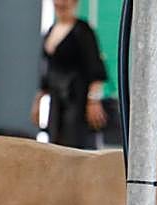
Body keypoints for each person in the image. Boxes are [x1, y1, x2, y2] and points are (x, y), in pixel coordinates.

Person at [32, 0, 108, 149]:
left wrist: (93, 100)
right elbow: (47, 71)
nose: (61, 5)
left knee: (74, 142)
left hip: (76, 97)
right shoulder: (51, 30)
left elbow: (95, 68)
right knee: (55, 141)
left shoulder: (83, 30)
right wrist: (38, 100)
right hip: (56, 98)